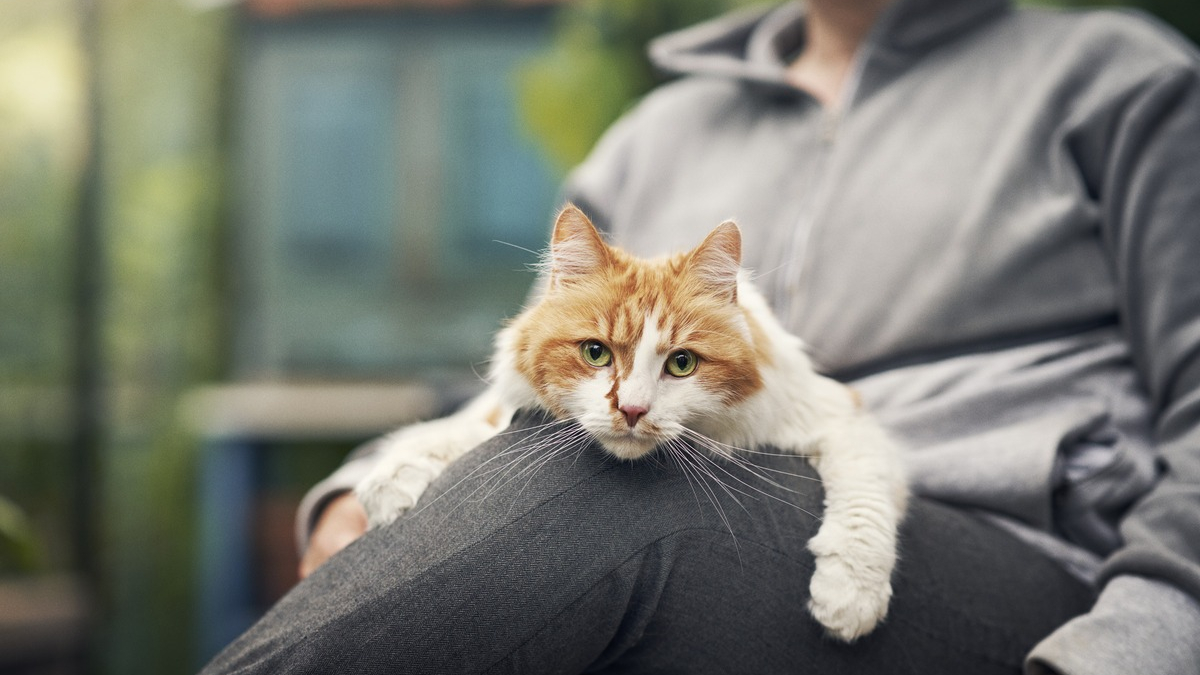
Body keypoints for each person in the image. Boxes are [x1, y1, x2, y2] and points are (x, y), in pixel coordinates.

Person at [203, 0, 1200, 673]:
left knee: (599, 490)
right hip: (704, 484)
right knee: (574, 462)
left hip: (1025, 564)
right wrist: (368, 482)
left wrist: (1127, 651)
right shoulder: (659, 132)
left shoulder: (1113, 81)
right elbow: (544, 373)